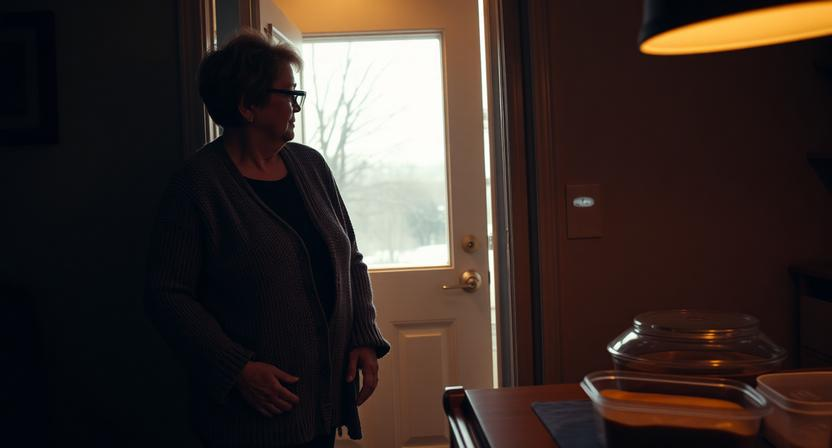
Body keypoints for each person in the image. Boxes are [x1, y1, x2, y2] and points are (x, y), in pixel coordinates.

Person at [144, 30, 390, 448]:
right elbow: (167, 294)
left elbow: (350, 258)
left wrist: (363, 335)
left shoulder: (311, 167)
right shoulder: (198, 186)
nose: (296, 105)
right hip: (250, 419)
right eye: (289, 94)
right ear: (248, 105)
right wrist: (236, 369)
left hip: (321, 405)